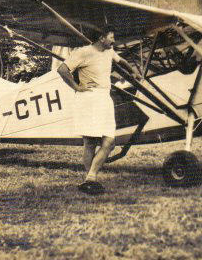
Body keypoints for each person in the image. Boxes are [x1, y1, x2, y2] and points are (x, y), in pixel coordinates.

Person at [57, 27, 140, 195]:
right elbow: (62, 69)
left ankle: (90, 178)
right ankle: (90, 180)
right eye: (112, 37)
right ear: (102, 38)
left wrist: (134, 70)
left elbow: (120, 60)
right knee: (90, 142)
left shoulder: (109, 51)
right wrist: (76, 87)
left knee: (110, 142)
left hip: (104, 97)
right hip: (89, 98)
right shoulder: (84, 52)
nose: (114, 41)